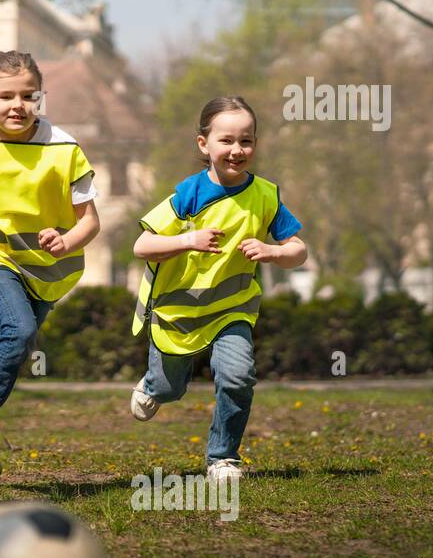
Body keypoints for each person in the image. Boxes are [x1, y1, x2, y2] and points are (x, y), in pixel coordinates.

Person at [0, 50, 101, 479]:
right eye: (5, 96)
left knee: (16, 342)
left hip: (48, 271)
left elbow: (90, 222)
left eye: (29, 96)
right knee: (19, 330)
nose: (18, 105)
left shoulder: (65, 149)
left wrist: (66, 241)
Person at [130, 95, 308, 482]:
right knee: (169, 388)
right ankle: (152, 384)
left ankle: (223, 457)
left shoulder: (266, 195)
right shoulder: (187, 195)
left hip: (232, 310)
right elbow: (142, 246)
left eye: (246, 141)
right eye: (226, 140)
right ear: (203, 144)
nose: (236, 150)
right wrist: (188, 240)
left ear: (255, 146)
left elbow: (299, 251)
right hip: (177, 313)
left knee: (237, 376)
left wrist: (273, 251)